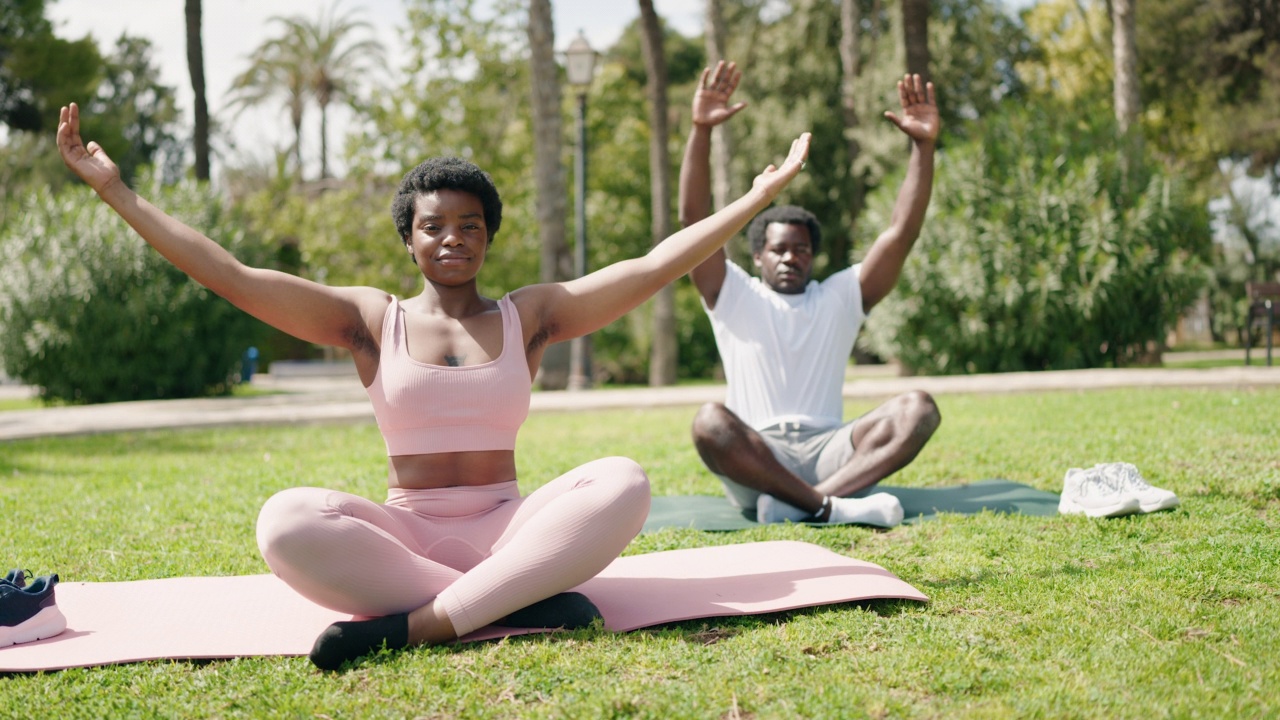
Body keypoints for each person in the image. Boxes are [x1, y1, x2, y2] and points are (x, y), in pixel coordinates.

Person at [57, 102, 810, 670]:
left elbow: (653, 266)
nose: (453, 237)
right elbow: (228, 274)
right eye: (434, 225)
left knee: (623, 480)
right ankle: (517, 602)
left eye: (471, 224)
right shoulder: (366, 319)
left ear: (489, 236)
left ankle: (425, 624)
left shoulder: (532, 316)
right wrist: (116, 191)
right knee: (283, 521)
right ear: (408, 238)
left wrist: (755, 198)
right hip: (408, 538)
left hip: (511, 529)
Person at [676, 62, 942, 527]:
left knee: (918, 409)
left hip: (831, 451)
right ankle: (826, 508)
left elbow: (901, 233)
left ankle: (805, 503)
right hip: (756, 457)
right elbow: (694, 223)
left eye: (800, 250)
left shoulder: (840, 296)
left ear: (813, 257)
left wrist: (923, 146)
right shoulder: (732, 292)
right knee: (709, 422)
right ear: (757, 257)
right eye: (778, 250)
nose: (789, 258)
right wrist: (700, 130)